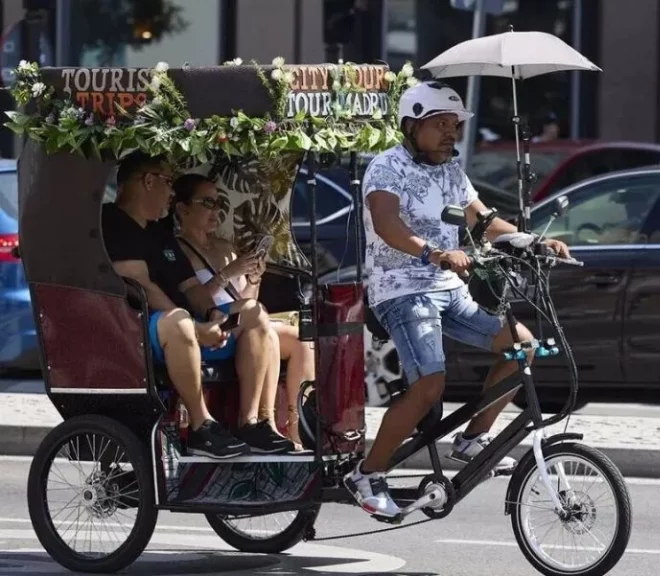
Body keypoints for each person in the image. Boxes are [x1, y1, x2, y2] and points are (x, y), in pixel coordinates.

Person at [343, 81, 570, 518]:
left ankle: (471, 440)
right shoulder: (386, 168)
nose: (451, 133)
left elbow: (483, 221)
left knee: (521, 345)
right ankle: (367, 474)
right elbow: (387, 224)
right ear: (411, 126)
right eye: (440, 125)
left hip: (448, 290)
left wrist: (535, 242)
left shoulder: (450, 169)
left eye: (454, 125)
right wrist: (435, 253)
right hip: (401, 290)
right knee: (430, 384)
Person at [101, 152, 291, 457]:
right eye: (168, 183)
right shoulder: (113, 222)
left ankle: (251, 423)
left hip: (187, 324)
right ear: (148, 181)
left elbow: (191, 287)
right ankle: (202, 425)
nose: (172, 193)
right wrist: (197, 326)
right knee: (178, 320)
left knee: (255, 313)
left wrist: (212, 313)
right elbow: (142, 288)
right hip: (137, 328)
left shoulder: (160, 232)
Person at [170, 173, 314, 451]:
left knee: (300, 340)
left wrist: (253, 279)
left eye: (218, 203)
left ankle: (291, 428)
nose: (216, 210)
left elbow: (248, 301)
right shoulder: (177, 249)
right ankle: (253, 422)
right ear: (183, 208)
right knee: (259, 320)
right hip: (207, 324)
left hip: (241, 321)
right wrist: (227, 274)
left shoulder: (224, 247)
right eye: (207, 203)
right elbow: (191, 300)